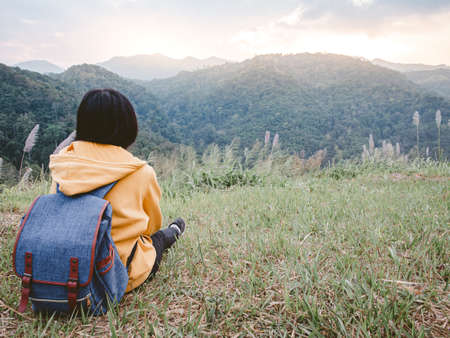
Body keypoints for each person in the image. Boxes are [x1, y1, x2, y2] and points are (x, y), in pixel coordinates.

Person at [48, 88, 185, 292]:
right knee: (155, 240)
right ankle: (174, 231)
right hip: (111, 274)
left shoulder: (62, 163)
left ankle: (173, 231)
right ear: (128, 127)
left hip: (61, 268)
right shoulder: (140, 172)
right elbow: (150, 226)